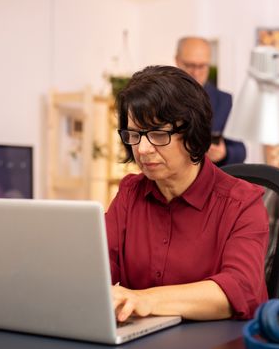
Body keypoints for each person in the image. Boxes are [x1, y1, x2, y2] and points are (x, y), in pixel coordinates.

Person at [106, 65, 268, 323]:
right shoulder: (129, 193)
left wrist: (145, 299)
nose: (143, 149)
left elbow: (239, 288)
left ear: (193, 133)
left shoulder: (243, 203)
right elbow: (99, 270)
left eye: (159, 134)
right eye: (134, 135)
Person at [175, 36, 246, 166]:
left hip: (210, 179)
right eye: (190, 65)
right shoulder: (161, 98)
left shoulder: (224, 101)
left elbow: (240, 150)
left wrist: (224, 153)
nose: (196, 72)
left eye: (202, 66)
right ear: (177, 61)